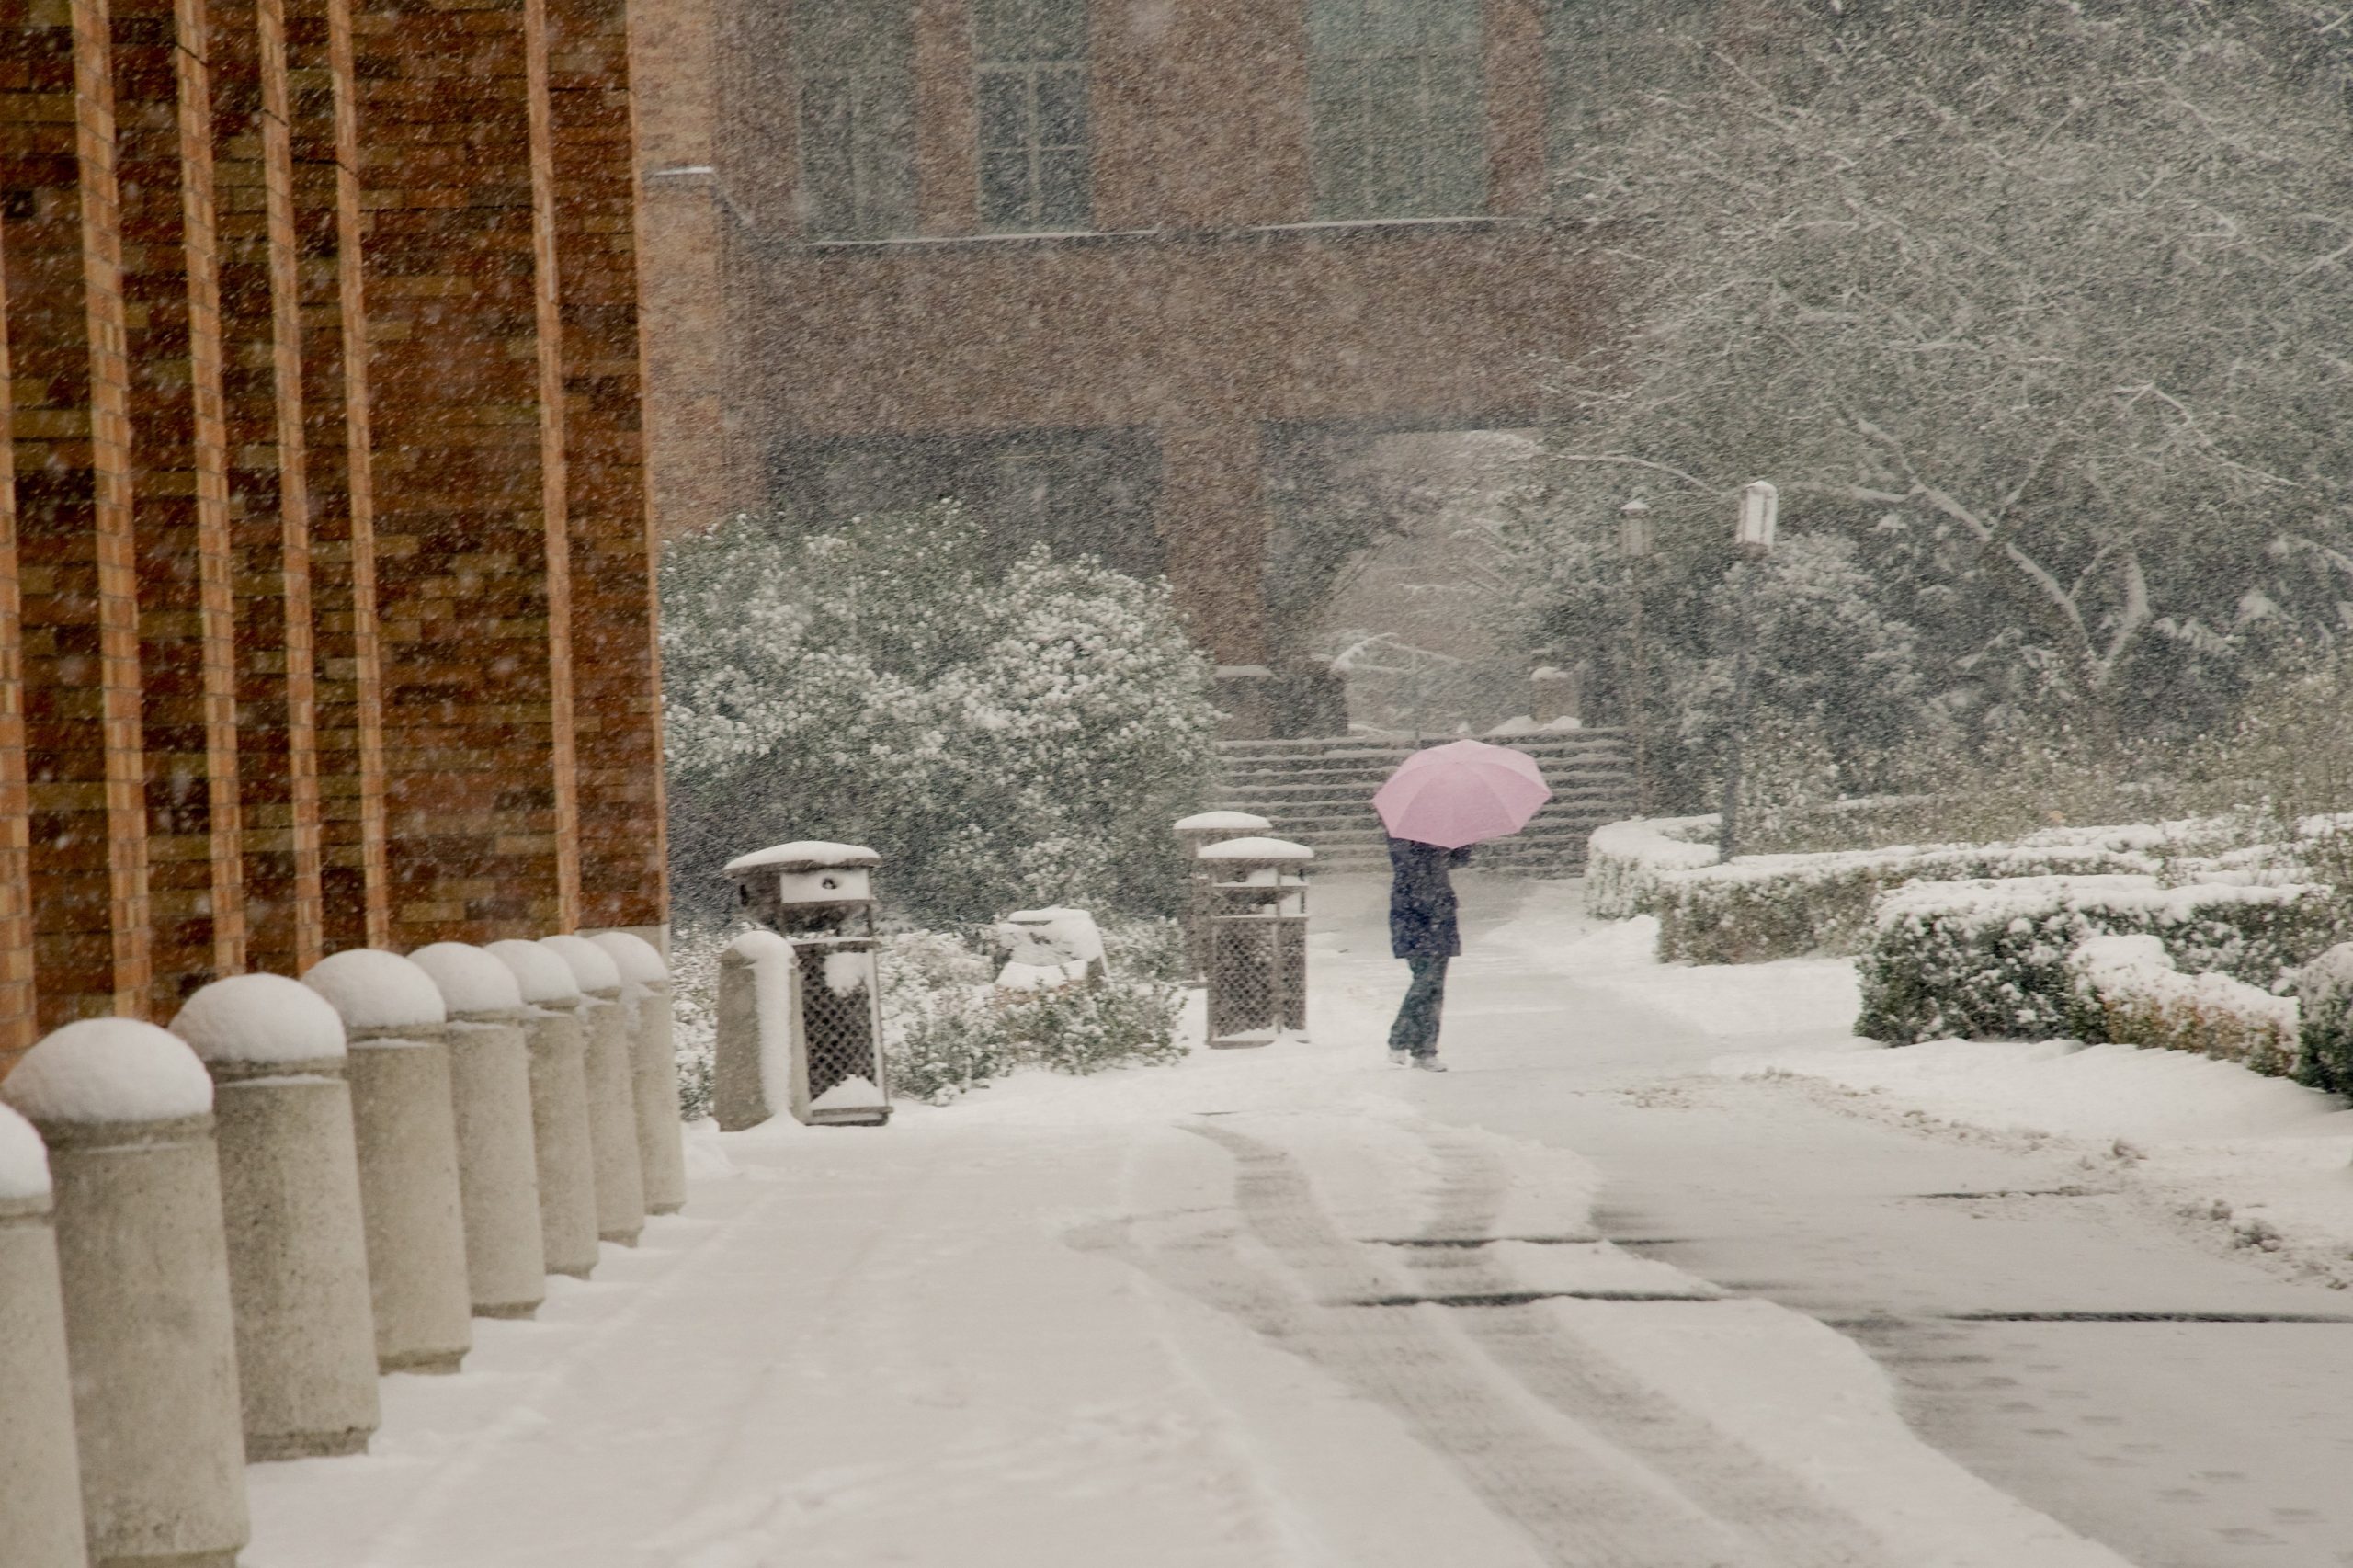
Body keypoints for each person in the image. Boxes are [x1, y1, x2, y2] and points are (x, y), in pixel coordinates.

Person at [1387, 835, 1472, 1071]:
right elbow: (1407, 863)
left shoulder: (1444, 828)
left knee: (1434, 985)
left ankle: (1424, 1050)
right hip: (1413, 913)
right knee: (1427, 979)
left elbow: (1459, 860)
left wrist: (1463, 839)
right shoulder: (1404, 831)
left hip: (1440, 912)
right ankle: (1402, 1039)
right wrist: (1435, 846)